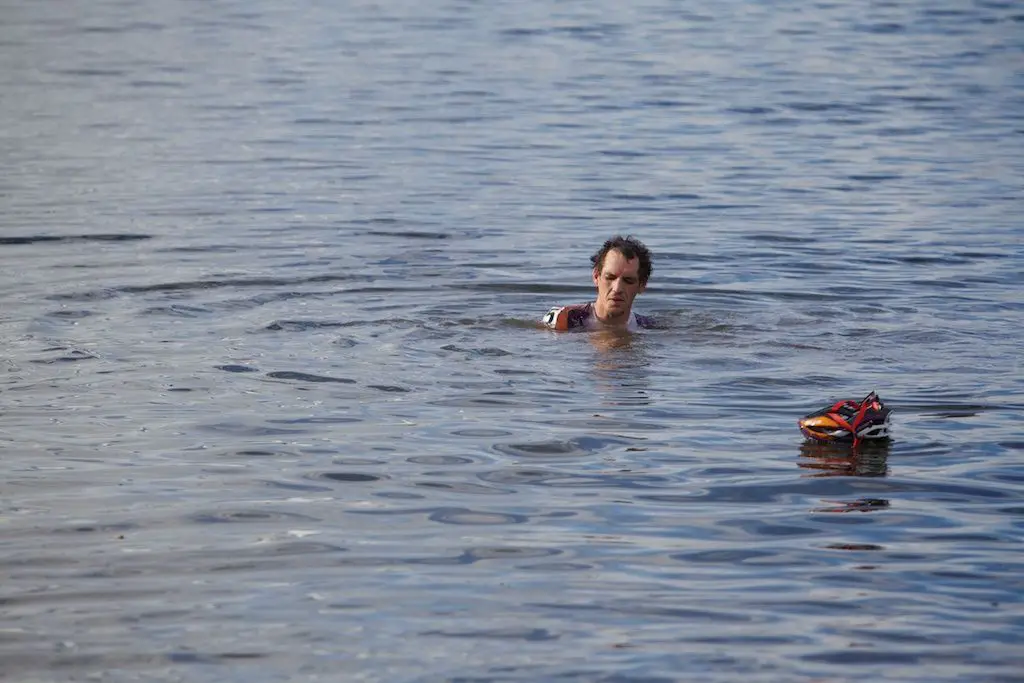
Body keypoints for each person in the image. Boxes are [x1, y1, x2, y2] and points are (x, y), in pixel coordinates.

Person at [542, 235, 655, 331]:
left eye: (628, 281)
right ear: (596, 276)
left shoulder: (646, 327)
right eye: (610, 277)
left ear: (642, 285)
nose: (617, 288)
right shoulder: (564, 319)